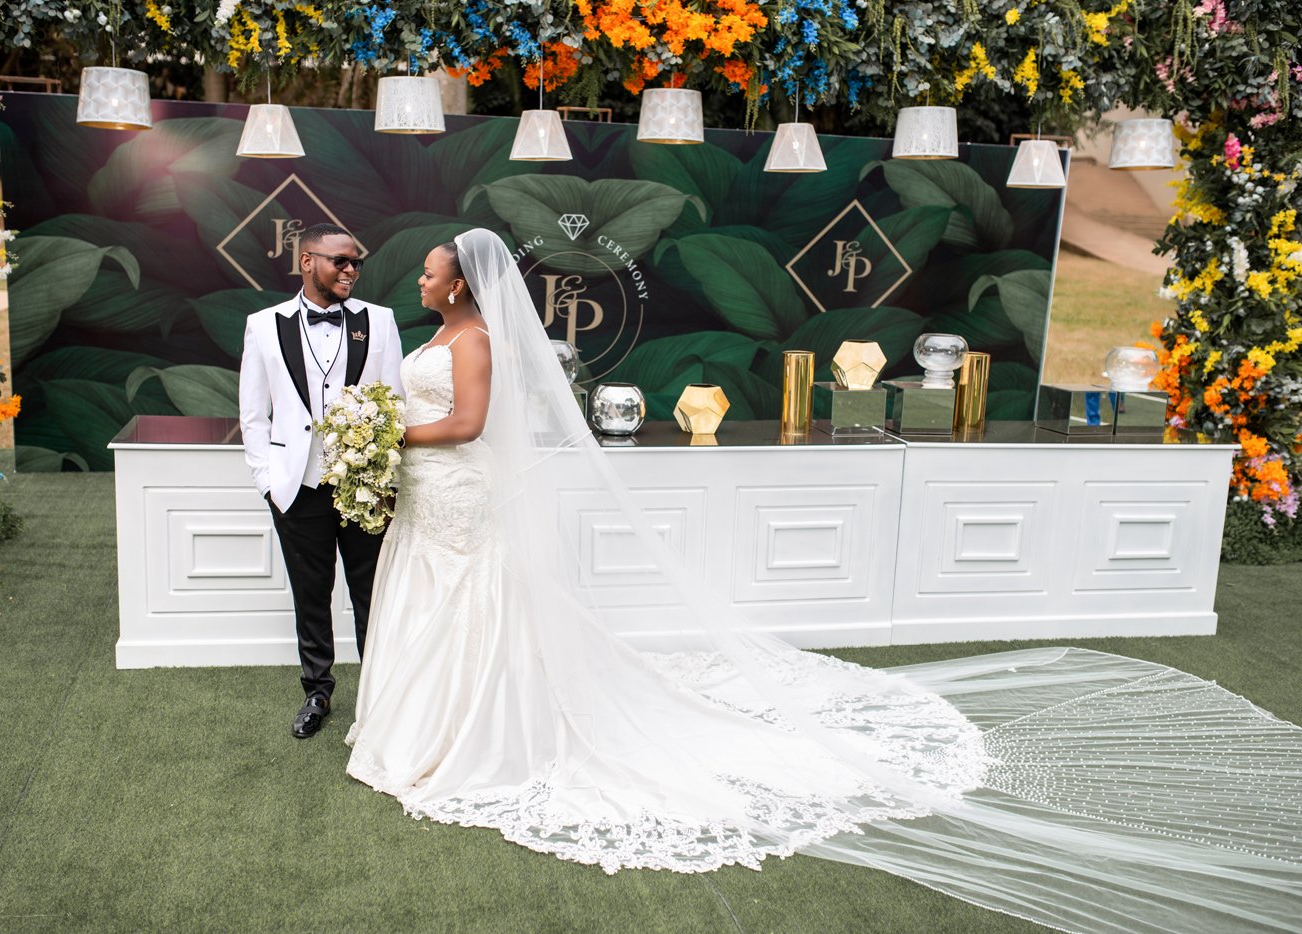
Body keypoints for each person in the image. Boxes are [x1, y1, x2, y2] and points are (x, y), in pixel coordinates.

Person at [346, 229, 1302, 933]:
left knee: (476, 604)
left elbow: (468, 425)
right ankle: (424, 721)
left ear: (461, 284)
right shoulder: (434, 336)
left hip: (459, 494)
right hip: (435, 501)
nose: (418, 279)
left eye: (429, 271)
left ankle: (473, 730)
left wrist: (385, 430)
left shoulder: (475, 342)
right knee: (436, 598)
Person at [239, 222, 404, 739]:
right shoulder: (264, 325)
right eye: (340, 261)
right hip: (296, 487)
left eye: (356, 262)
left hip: (365, 488)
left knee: (372, 594)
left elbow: (395, 404)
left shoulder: (379, 321)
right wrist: (268, 482)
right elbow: (253, 415)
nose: (351, 270)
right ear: (307, 261)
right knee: (311, 595)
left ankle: (379, 699)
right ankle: (317, 692)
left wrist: (384, 478)